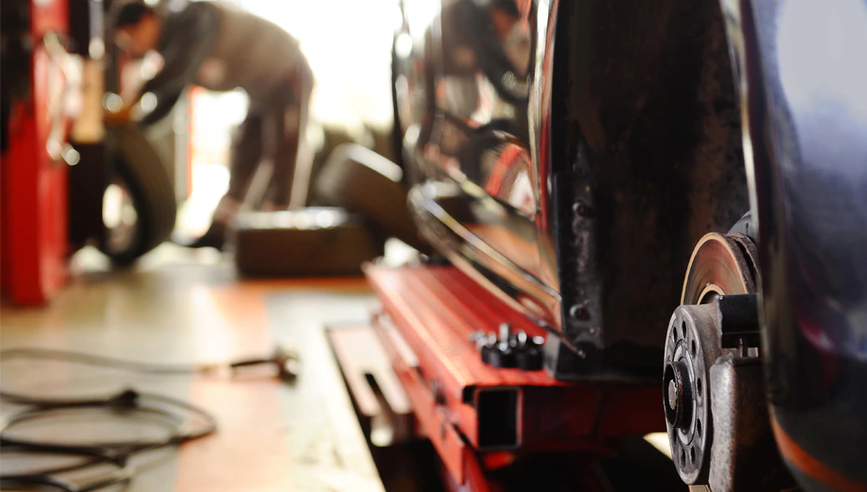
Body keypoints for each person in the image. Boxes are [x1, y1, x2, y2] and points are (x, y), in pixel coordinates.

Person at [111, 1, 313, 249]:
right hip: (260, 89)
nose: (133, 48)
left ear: (146, 20)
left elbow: (179, 67)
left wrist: (136, 95)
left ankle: (280, 238)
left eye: (130, 38)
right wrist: (137, 125)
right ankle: (220, 234)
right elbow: (173, 90)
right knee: (245, 153)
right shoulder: (174, 47)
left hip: (286, 70)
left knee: (284, 152)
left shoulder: (192, 16)